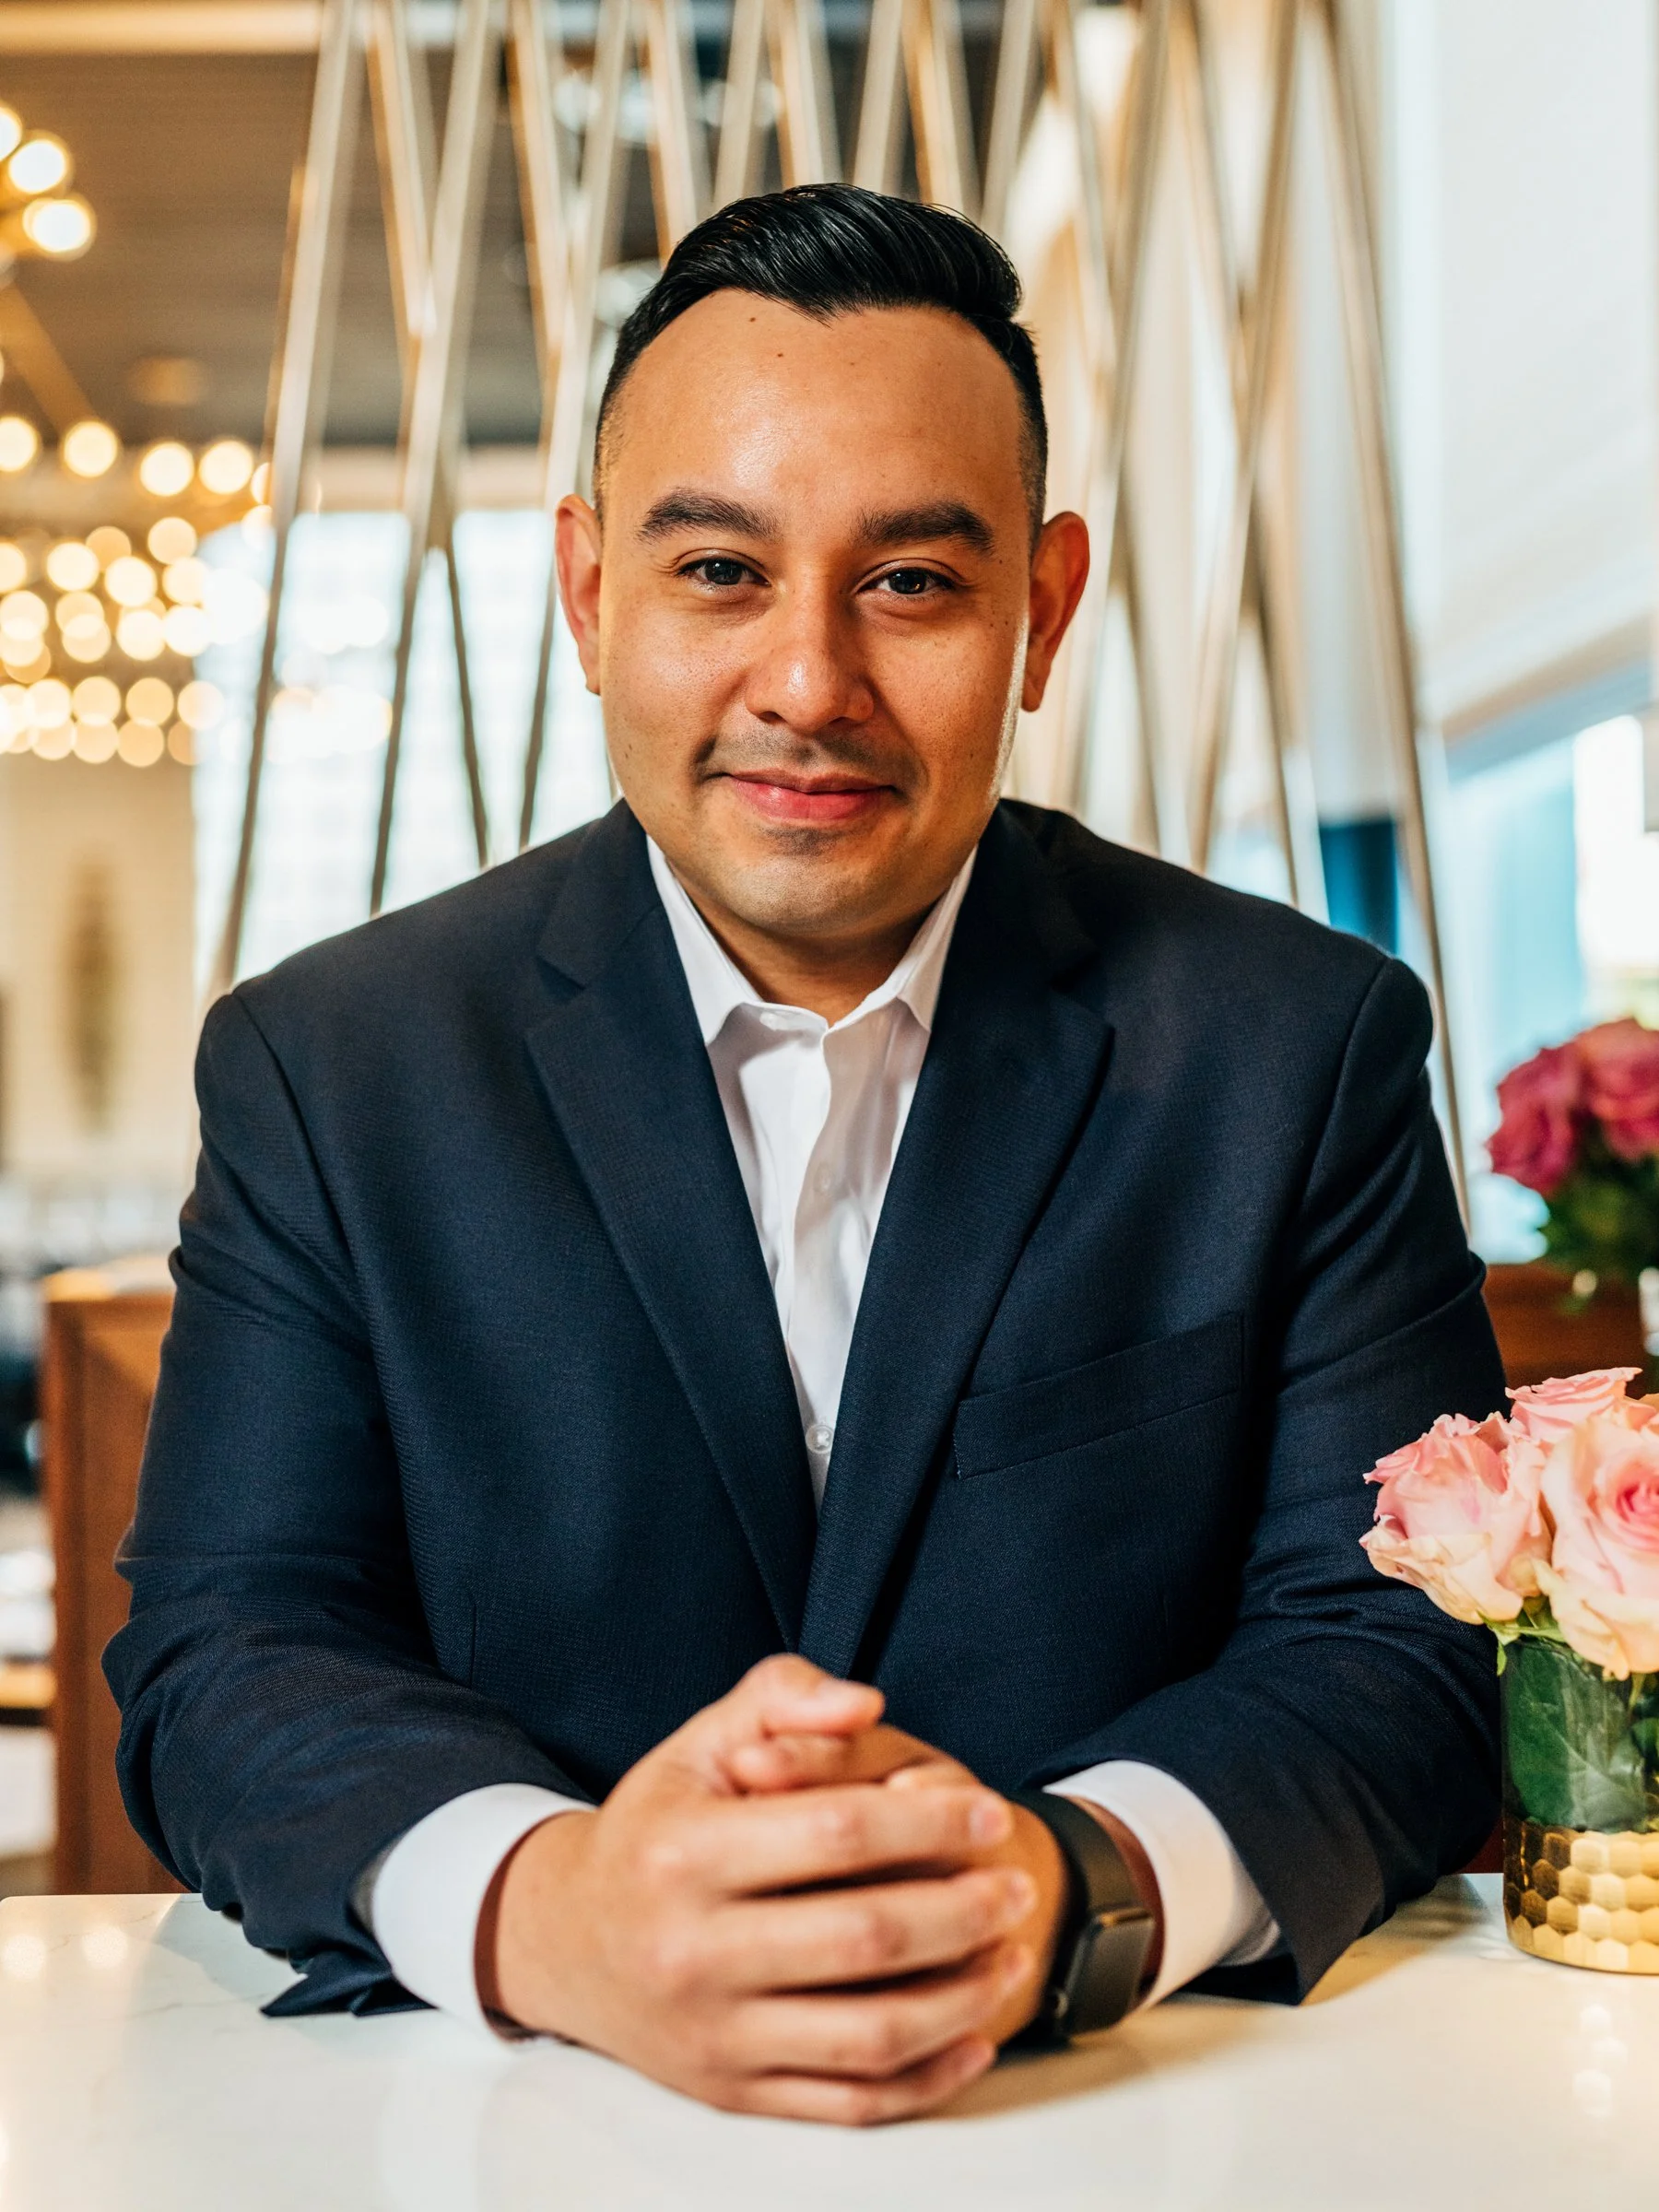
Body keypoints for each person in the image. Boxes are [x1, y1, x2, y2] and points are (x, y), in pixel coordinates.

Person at [109, 185, 1504, 2126]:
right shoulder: (334, 1066)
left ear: (1044, 607)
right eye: (720, 575)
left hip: (1122, 2125)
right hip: (511, 2131)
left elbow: (1398, 1655)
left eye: (914, 584)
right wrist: (552, 1906)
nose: (808, 685)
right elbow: (225, 1652)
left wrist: (1066, 1886)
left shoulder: (1298, 1046)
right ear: (592, 593)